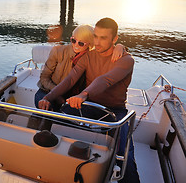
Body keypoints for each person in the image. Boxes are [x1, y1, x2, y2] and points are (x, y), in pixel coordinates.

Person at [38, 17, 140, 183]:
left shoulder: (126, 60)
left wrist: (83, 95)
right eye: (95, 36)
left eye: (103, 38)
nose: (97, 42)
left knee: (125, 157)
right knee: (52, 130)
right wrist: (48, 97)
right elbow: (70, 80)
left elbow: (105, 80)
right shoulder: (87, 57)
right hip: (86, 107)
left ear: (115, 39)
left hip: (115, 111)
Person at [34, 24, 124, 112]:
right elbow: (44, 77)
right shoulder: (58, 51)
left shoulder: (92, 56)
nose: (76, 45)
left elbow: (108, 49)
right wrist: (56, 93)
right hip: (47, 91)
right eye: (73, 40)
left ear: (90, 44)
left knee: (77, 114)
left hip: (72, 96)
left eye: (81, 43)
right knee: (46, 108)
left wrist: (120, 47)